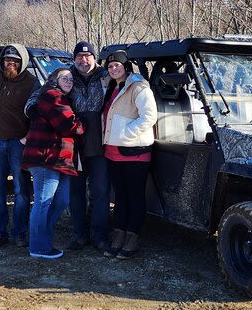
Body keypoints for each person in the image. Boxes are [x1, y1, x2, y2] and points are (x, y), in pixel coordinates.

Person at [21, 68, 84, 259]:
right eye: (64, 77)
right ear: (53, 79)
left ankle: (44, 238)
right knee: (43, 201)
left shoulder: (62, 98)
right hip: (45, 156)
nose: (69, 81)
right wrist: (82, 124)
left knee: (61, 200)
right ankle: (39, 247)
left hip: (60, 158)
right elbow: (69, 125)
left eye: (71, 78)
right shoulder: (52, 95)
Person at [101, 50, 157, 259]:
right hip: (112, 151)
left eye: (117, 65)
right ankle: (119, 234)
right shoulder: (112, 87)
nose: (114, 69)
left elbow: (149, 116)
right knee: (121, 197)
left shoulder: (139, 87)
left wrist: (127, 133)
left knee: (135, 197)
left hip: (134, 152)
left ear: (126, 66)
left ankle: (132, 237)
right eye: (110, 66)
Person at [0, 44, 40, 248]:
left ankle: (19, 233)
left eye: (15, 60)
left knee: (21, 190)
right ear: (2, 60)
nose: (11, 63)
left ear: (22, 62)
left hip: (19, 142)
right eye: (8, 59)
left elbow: (39, 112)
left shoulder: (32, 83)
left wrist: (29, 135)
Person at [64, 41, 111, 251]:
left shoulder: (106, 76)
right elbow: (42, 94)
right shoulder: (65, 77)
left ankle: (99, 234)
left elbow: (131, 83)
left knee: (101, 190)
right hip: (74, 145)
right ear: (74, 59)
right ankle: (79, 233)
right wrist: (33, 109)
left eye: (88, 56)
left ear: (94, 57)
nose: (84, 60)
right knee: (76, 191)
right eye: (79, 57)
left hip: (100, 144)